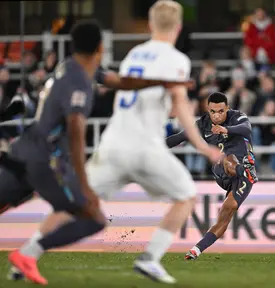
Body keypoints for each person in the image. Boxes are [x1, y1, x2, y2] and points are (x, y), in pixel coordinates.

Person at [6, 1, 222, 284]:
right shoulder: (176, 60)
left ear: (150, 25)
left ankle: (27, 255)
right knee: (186, 197)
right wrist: (203, 146)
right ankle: (150, 259)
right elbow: (180, 104)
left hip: (112, 146)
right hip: (145, 147)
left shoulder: (135, 54)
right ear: (178, 27)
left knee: (75, 205)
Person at [166, 92, 258, 260]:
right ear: (208, 110)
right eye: (213, 111)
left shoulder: (238, 117)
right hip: (222, 171)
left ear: (227, 109)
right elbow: (179, 138)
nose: (217, 116)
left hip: (244, 174)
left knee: (227, 211)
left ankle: (197, 249)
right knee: (227, 159)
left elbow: (247, 129)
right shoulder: (202, 124)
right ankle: (239, 170)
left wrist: (226, 129)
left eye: (221, 111)